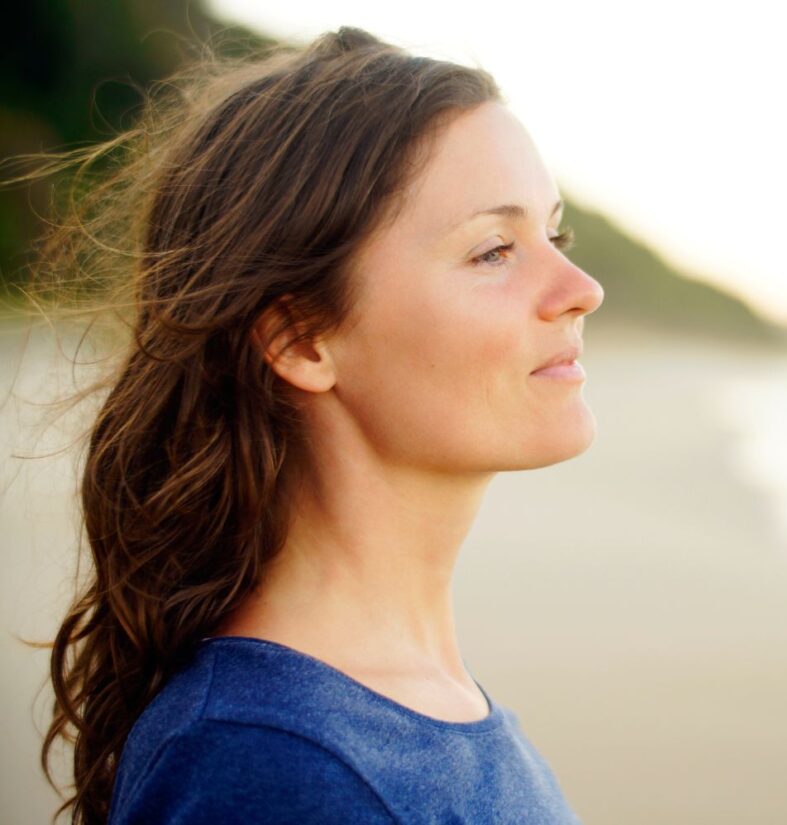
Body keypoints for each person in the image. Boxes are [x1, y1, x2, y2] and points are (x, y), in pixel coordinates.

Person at [22, 25, 602, 825]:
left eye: (555, 232)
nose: (580, 287)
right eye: (494, 250)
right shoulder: (272, 765)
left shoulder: (405, 707)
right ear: (300, 338)